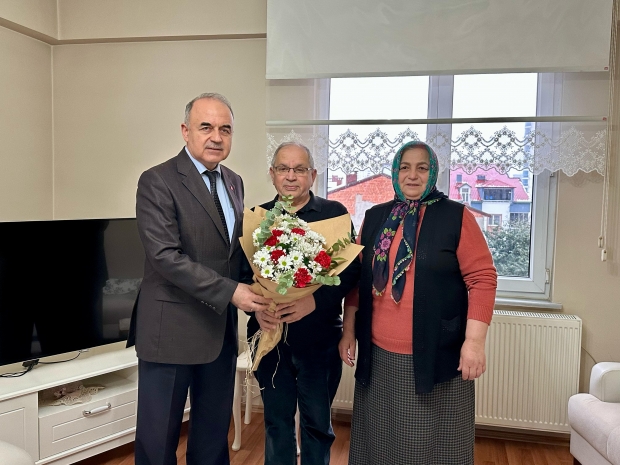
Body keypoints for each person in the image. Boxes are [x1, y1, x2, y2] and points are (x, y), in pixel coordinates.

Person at [127, 93, 270, 465]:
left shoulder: (234, 181)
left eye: (225, 129)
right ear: (185, 131)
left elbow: (232, 254)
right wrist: (233, 292)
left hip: (218, 332)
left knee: (211, 438)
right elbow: (165, 257)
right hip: (170, 332)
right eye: (206, 127)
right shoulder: (157, 180)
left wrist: (266, 292)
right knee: (158, 443)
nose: (216, 137)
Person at [338, 141, 497, 465]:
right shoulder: (375, 217)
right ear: (395, 173)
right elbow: (358, 281)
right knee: (380, 442)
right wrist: (348, 331)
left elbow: (482, 279)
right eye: (405, 167)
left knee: (431, 445)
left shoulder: (456, 217)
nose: (413, 175)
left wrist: (474, 343)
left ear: (433, 172)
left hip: (437, 354)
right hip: (378, 355)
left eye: (421, 168)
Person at [247, 142, 361, 465]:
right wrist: (256, 308)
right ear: (272, 174)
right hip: (270, 341)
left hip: (320, 341)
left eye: (299, 169)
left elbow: (352, 271)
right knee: (276, 424)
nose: (291, 176)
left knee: (317, 426)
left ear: (313, 175)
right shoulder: (256, 219)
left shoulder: (334, 214)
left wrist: (315, 300)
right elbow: (240, 276)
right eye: (283, 169)